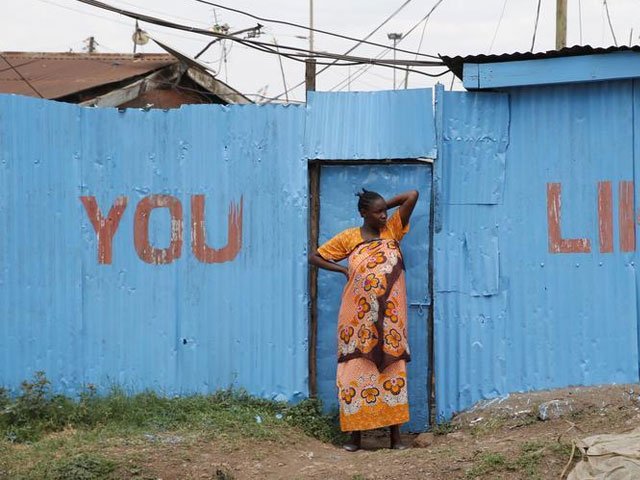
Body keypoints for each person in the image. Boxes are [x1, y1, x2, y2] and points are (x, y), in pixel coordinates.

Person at [309, 188, 419, 451]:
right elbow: (315, 257)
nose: (384, 215)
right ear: (363, 214)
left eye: (385, 211)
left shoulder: (392, 229)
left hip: (391, 320)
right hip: (356, 320)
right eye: (378, 212)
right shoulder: (349, 238)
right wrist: (343, 270)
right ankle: (355, 438)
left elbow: (412, 195)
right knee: (354, 371)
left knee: (392, 369)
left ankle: (395, 438)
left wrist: (382, 205)